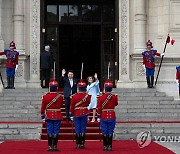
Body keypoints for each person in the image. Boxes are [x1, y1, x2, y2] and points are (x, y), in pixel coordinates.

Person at [40, 78, 64, 151]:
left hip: (49, 115)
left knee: (50, 131)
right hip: (57, 115)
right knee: (56, 131)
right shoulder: (60, 97)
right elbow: (61, 105)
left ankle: (50, 146)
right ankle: (55, 146)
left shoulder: (45, 97)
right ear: (56, 88)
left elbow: (43, 107)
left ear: (50, 87)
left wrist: (42, 115)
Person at [97, 79, 118, 151]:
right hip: (112, 115)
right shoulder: (114, 97)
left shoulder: (101, 97)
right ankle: (110, 146)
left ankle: (105, 146)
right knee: (110, 131)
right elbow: (116, 104)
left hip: (104, 115)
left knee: (104, 131)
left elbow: (99, 108)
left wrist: (98, 116)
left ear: (105, 89)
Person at [70, 79, 91, 149]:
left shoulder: (74, 96)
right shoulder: (87, 96)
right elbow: (88, 103)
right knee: (83, 128)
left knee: (77, 128)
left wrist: (71, 114)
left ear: (78, 88)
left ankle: (78, 143)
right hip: (84, 113)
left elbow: (72, 106)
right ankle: (82, 143)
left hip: (76, 113)